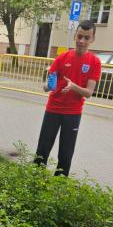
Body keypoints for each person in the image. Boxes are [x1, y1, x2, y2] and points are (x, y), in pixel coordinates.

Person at [34, 20, 101, 177]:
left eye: (86, 38)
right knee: (43, 148)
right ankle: (34, 180)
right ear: (75, 36)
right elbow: (48, 84)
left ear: (92, 39)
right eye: (79, 36)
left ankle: (59, 185)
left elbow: (89, 93)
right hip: (53, 110)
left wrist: (73, 86)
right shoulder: (62, 57)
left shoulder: (95, 62)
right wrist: (48, 86)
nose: (82, 41)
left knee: (66, 153)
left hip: (73, 114)